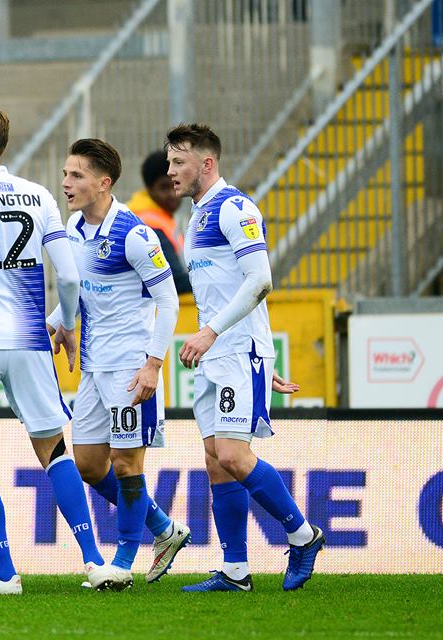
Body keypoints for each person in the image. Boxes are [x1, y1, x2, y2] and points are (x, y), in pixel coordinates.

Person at [0, 105, 123, 595]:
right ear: (4, 144)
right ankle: (96, 562)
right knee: (54, 449)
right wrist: (68, 323)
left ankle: (6, 572)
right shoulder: (37, 197)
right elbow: (70, 275)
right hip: (30, 338)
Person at [165, 123, 322, 592]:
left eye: (179, 162)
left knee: (234, 454)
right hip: (224, 354)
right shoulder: (196, 216)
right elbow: (228, 288)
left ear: (207, 164)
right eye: (170, 161)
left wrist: (227, 340)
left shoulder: (235, 208)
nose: (171, 171)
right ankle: (235, 571)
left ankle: (302, 534)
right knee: (215, 457)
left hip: (232, 349)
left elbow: (260, 281)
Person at [48, 138, 191, 588]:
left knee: (128, 465)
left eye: (77, 175)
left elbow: (169, 302)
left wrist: (153, 364)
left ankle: (123, 563)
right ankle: (165, 530)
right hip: (92, 366)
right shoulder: (73, 227)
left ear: (103, 182)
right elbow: (76, 293)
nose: (66, 182)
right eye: (66, 173)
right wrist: (54, 324)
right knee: (90, 465)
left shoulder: (134, 233)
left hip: (131, 365)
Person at [126, 150, 191, 294]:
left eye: (175, 185)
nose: (171, 194)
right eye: (163, 188)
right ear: (149, 190)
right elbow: (175, 280)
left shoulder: (157, 217)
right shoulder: (150, 224)